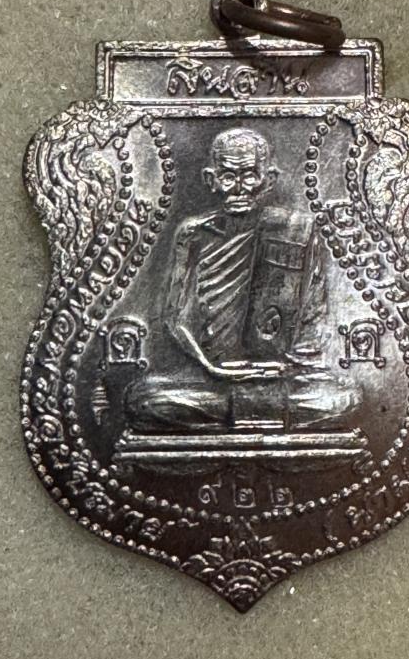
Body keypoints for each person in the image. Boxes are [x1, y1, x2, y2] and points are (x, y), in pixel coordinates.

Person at [125, 128, 362, 432]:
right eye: (228, 177)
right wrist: (212, 368)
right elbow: (173, 319)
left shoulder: (296, 231)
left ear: (269, 179)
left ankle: (246, 411)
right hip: (212, 378)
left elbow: (314, 318)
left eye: (250, 175)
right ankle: (257, 413)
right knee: (144, 401)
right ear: (211, 180)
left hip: (278, 378)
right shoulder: (193, 234)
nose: (239, 188)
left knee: (345, 399)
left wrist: (283, 367)